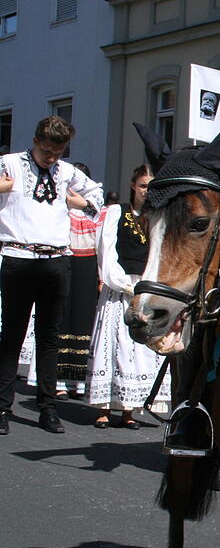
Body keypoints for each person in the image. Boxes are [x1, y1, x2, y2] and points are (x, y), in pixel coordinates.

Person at [0, 116, 103, 435]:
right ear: (35, 141)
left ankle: (48, 408)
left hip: (56, 259)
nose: (51, 157)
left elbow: (97, 196)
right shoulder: (10, 164)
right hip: (19, 256)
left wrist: (81, 202)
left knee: (49, 337)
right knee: (12, 336)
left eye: (58, 152)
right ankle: (2, 408)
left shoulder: (66, 171)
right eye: (47, 151)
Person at [85, 164, 169, 429]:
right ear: (133, 186)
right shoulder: (116, 212)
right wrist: (122, 282)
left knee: (139, 349)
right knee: (114, 345)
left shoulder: (158, 217)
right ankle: (104, 408)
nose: (146, 191)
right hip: (120, 288)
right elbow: (106, 250)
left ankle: (129, 410)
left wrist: (149, 285)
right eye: (143, 185)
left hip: (146, 288)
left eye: (151, 187)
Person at [55, 162, 104, 399]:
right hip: (65, 260)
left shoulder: (94, 210)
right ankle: (58, 381)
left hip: (87, 265)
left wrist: (102, 275)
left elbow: (103, 243)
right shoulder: (60, 206)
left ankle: (77, 381)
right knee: (62, 319)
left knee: (84, 322)